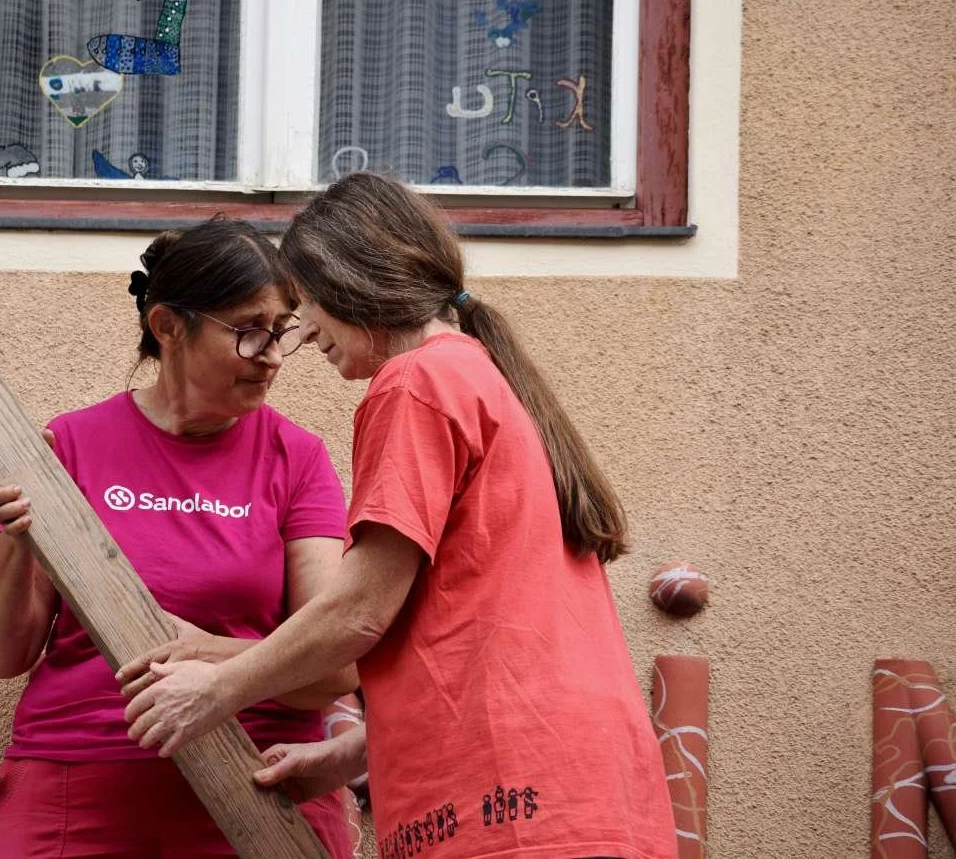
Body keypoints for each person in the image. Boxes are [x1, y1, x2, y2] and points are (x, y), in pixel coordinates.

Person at [118, 173, 677, 859]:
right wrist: (352, 753)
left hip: (507, 809)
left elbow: (359, 611)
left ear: (349, 280)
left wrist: (216, 688)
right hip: (575, 792)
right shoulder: (480, 376)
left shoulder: (414, 382)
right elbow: (474, 635)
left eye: (305, 301)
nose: (301, 332)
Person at [0, 217, 358, 858]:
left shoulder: (297, 458)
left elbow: (334, 665)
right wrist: (18, 536)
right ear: (168, 325)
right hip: (76, 780)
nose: (273, 356)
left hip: (256, 788)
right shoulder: (72, 444)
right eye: (249, 331)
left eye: (281, 330)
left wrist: (211, 656)